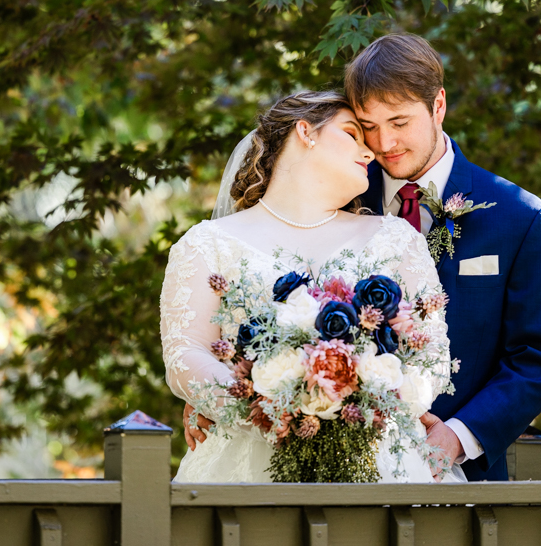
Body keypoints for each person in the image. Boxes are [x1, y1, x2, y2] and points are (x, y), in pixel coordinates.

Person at [160, 90, 453, 483]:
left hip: (381, 463)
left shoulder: (397, 239)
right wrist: (274, 404)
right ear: (305, 132)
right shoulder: (206, 245)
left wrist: (361, 405)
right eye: (353, 134)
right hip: (249, 462)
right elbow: (186, 354)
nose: (370, 154)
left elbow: (430, 353)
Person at [346, 33, 541, 480]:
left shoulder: (519, 217)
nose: (384, 142)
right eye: (368, 125)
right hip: (345, 467)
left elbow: (537, 357)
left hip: (464, 481)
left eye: (399, 121)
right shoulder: (340, 198)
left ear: (438, 106)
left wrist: (459, 435)